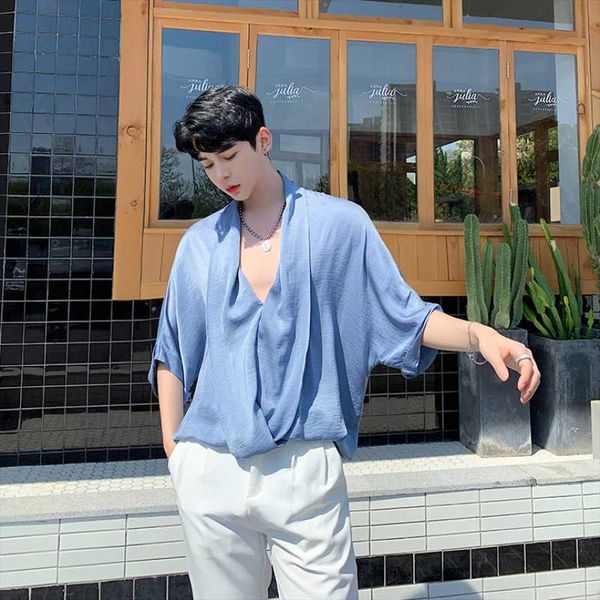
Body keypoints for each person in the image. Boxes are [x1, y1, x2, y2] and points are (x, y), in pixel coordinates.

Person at [147, 84, 540, 600]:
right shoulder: (199, 244)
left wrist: (479, 334)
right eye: (207, 165)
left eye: (229, 156)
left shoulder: (339, 225)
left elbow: (402, 316)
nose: (221, 174)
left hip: (304, 464)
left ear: (263, 140)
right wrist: (176, 453)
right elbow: (174, 352)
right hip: (210, 468)